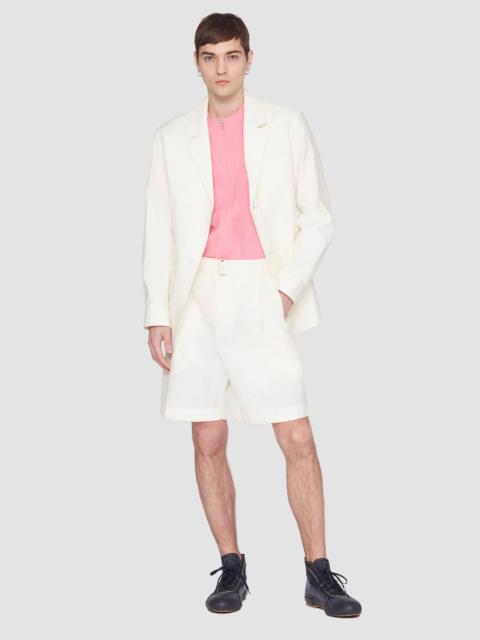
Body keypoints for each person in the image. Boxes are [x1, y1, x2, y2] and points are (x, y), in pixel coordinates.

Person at [142, 12, 362, 617]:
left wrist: (284, 291)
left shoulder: (285, 125)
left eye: (232, 56)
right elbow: (159, 231)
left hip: (260, 288)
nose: (221, 68)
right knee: (207, 435)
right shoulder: (170, 137)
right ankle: (231, 567)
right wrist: (158, 313)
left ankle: (319, 572)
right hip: (196, 297)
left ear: (248, 60)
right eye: (210, 57)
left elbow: (318, 217)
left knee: (296, 434)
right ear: (196, 63)